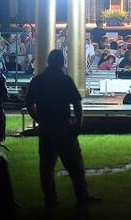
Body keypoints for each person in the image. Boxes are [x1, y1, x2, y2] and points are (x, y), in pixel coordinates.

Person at [26, 50, 100, 207]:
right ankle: (82, 196)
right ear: (61, 62)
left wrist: (38, 119)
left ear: (48, 61)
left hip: (46, 127)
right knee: (75, 165)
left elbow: (29, 103)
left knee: (46, 167)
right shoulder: (65, 80)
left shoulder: (38, 80)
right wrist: (78, 124)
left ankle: (50, 199)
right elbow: (77, 104)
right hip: (63, 126)